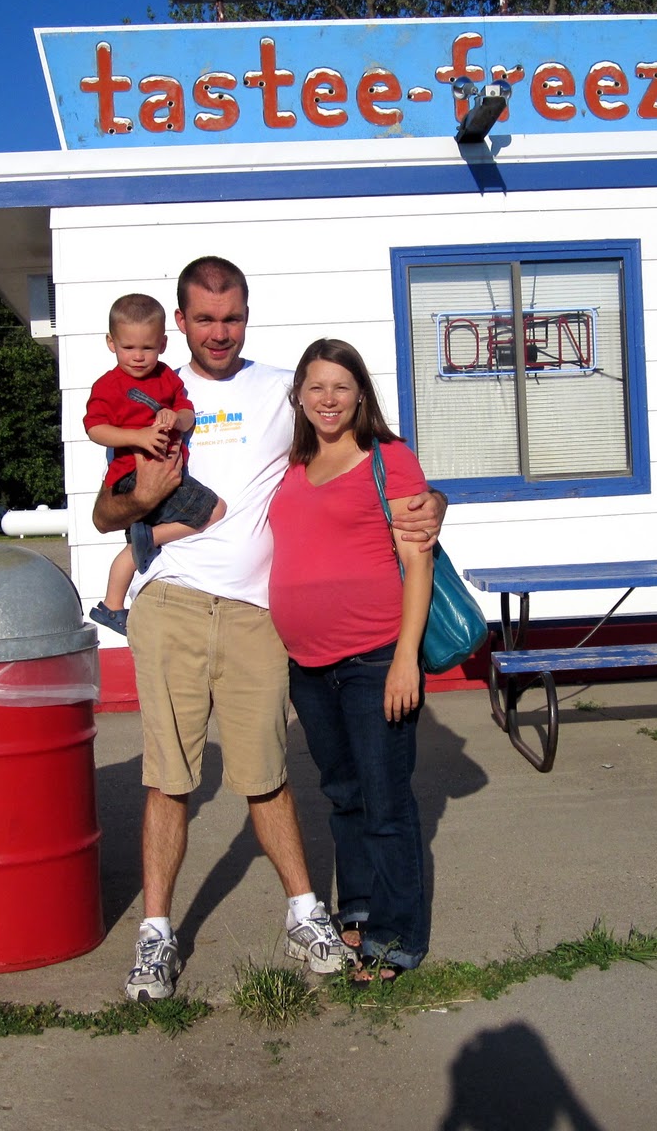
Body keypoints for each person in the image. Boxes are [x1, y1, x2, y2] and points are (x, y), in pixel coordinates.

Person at [91, 256, 446, 1002]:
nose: (220, 332)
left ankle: (305, 913)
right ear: (179, 322)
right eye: (205, 319)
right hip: (172, 605)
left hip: (257, 618)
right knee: (169, 779)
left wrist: (431, 499)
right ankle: (156, 935)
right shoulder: (150, 395)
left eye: (234, 317)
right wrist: (138, 500)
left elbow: (367, 446)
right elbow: (105, 513)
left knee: (268, 775)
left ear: (247, 317)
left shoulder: (285, 391)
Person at [268, 338, 434, 985]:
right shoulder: (292, 466)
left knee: (386, 801)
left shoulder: (388, 460)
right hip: (308, 668)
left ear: (360, 393)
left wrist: (405, 661)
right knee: (343, 796)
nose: (328, 399)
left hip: (373, 661)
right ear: (300, 396)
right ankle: (359, 911)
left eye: (340, 386)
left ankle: (397, 939)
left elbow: (417, 561)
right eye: (316, 387)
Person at [82, 293, 225, 636]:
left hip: (165, 473)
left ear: (162, 343)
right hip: (132, 477)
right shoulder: (108, 386)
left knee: (132, 553)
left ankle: (112, 607)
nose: (138, 356)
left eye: (147, 347)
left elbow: (188, 414)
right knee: (215, 509)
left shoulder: (166, 378)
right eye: (128, 347)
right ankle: (151, 537)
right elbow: (95, 428)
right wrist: (138, 438)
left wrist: (176, 417)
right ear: (110, 343)